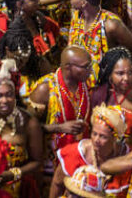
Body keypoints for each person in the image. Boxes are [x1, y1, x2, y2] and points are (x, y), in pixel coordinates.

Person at [28, 46, 92, 174]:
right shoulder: (45, 90)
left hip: (79, 160)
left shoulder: (84, 84)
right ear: (68, 67)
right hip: (50, 166)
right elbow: (27, 128)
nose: (90, 70)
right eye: (85, 67)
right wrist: (59, 128)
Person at [0, 79, 43, 198]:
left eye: (9, 95)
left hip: (14, 187)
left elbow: (37, 162)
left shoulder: (29, 122)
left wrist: (13, 174)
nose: (4, 100)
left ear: (15, 95)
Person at [49, 104, 131, 198]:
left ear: (115, 139)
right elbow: (57, 183)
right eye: (94, 133)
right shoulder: (76, 153)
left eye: (102, 136)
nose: (96, 139)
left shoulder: (128, 158)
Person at [69, 0, 132, 85]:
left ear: (84, 2)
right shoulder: (77, 16)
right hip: (78, 82)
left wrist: (124, 76)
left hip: (102, 85)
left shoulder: (110, 25)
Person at [0, 0, 61, 74]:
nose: (38, 1)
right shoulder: (2, 27)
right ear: (19, 4)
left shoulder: (38, 19)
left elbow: (56, 41)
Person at [91, 48, 132, 149]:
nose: (126, 78)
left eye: (130, 72)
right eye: (120, 73)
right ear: (110, 75)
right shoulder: (98, 95)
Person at [0, 18, 40, 107]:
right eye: (17, 58)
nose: (22, 64)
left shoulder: (38, 64)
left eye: (26, 58)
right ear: (7, 50)